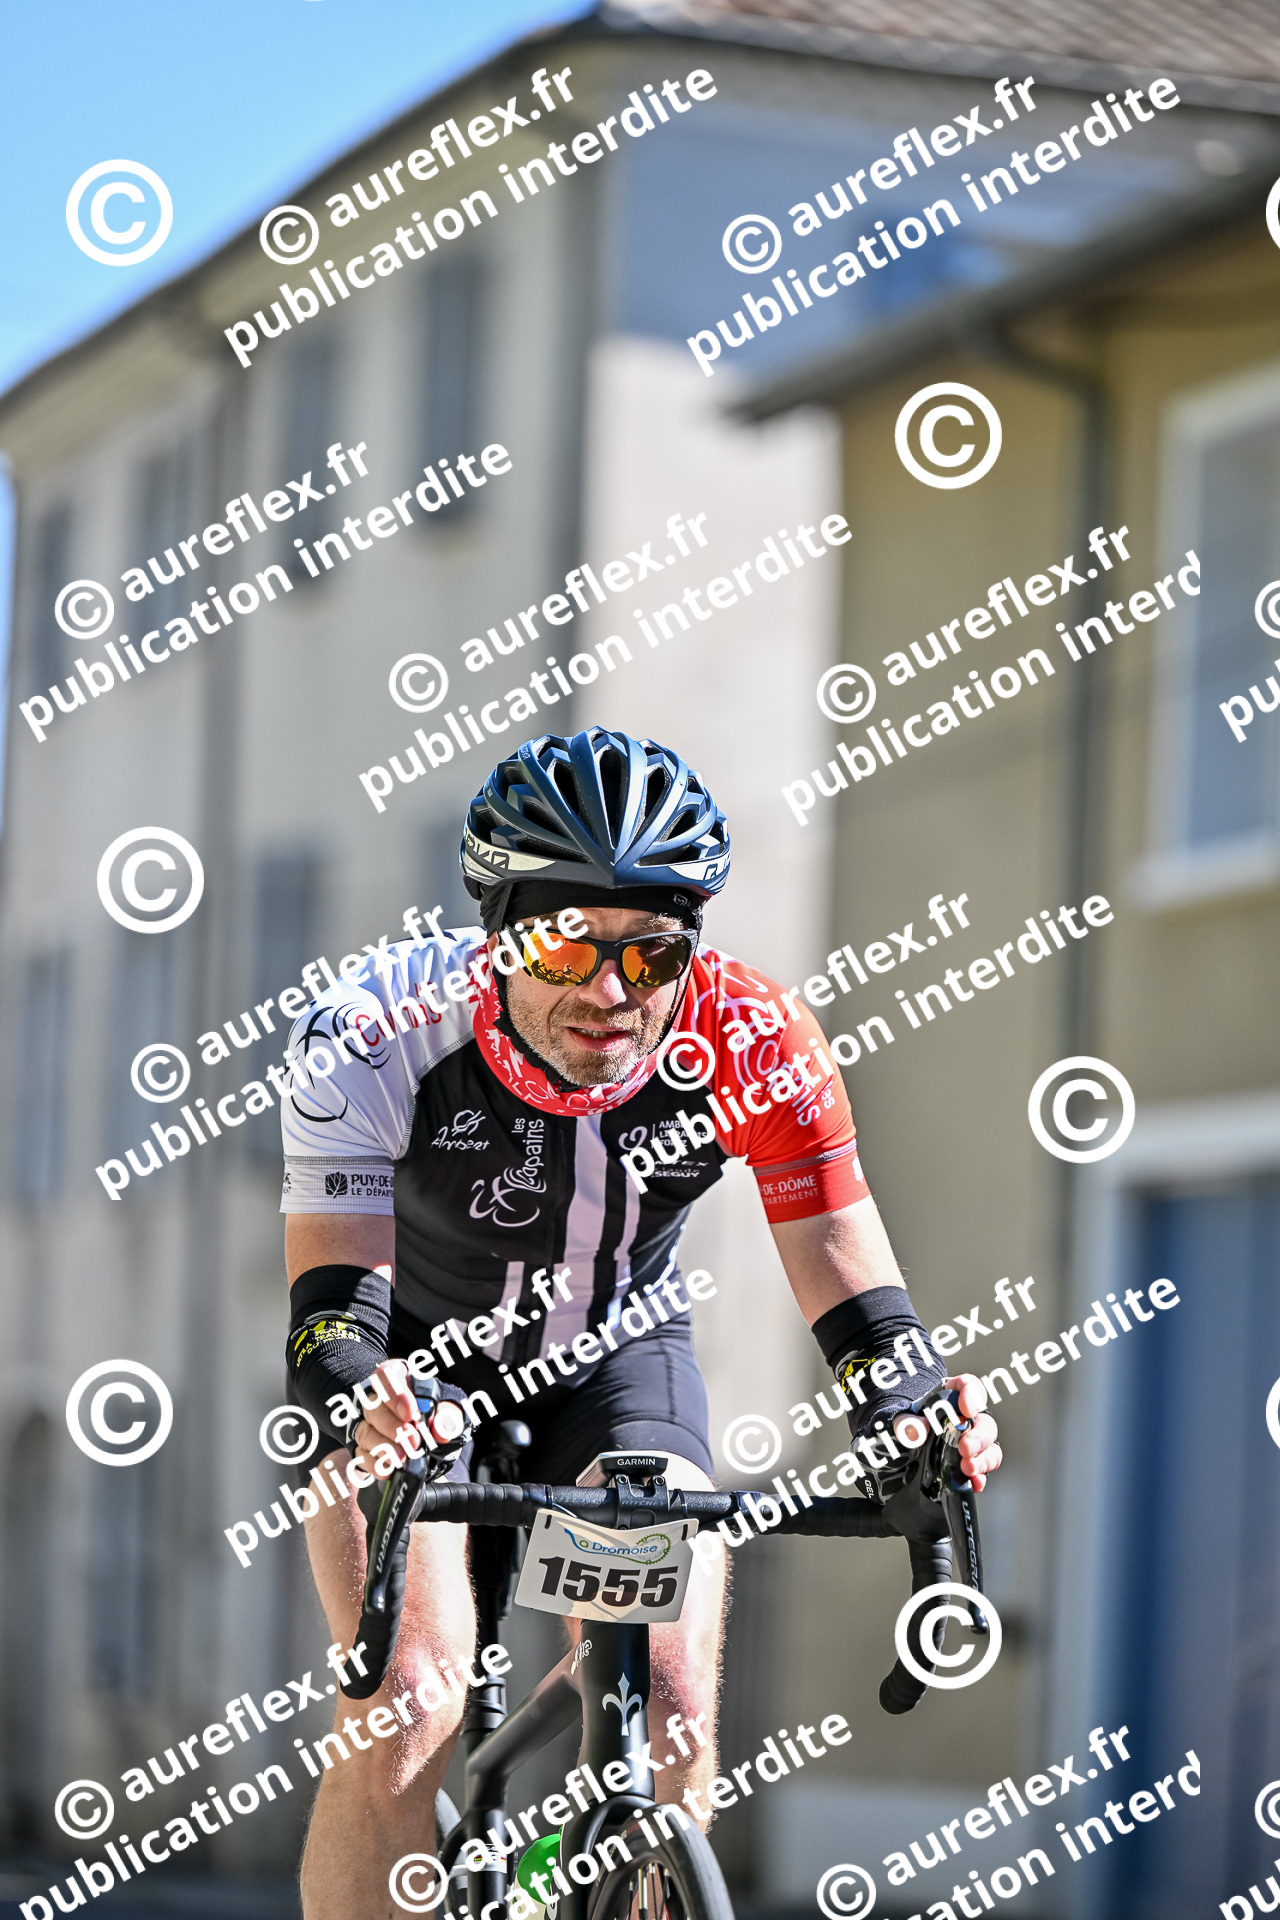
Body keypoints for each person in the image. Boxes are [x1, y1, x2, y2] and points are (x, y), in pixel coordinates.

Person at [279, 726, 1001, 1919]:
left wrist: (915, 1415)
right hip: (406, 1368)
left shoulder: (753, 1038)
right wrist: (365, 1394)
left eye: (652, 952)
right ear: (496, 928)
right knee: (408, 1703)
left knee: (668, 1702)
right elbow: (330, 1310)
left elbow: (853, 1289)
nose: (610, 994)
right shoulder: (375, 1029)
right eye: (566, 944)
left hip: (612, 1361)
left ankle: (610, 1874)